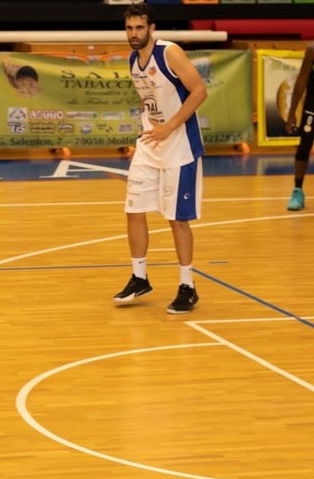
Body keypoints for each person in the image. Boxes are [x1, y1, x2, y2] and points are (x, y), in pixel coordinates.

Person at [113, 4, 207, 314]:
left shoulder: (170, 53)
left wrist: (169, 125)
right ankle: (139, 277)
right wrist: (149, 127)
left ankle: (187, 286)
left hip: (179, 146)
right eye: (129, 28)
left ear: (151, 28)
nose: (134, 34)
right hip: (150, 144)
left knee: (176, 219)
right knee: (133, 209)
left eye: (139, 28)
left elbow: (199, 91)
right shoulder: (133, 60)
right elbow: (147, 97)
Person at [284, 41, 314, 211]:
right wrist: (291, 113)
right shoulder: (312, 50)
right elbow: (301, 81)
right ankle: (298, 190)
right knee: (304, 147)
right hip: (313, 107)